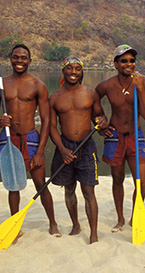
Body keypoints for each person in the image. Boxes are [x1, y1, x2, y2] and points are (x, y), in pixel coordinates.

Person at [0, 44, 60, 239]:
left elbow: (46, 120)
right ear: (10, 59)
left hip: (30, 137)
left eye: (23, 57)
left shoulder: (38, 85)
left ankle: (53, 223)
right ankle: (15, 224)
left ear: (29, 60)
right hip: (9, 137)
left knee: (40, 183)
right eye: (16, 57)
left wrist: (40, 150)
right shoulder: (0, 85)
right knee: (13, 184)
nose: (19, 61)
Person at [95, 44, 145, 232]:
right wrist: (99, 121)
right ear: (115, 64)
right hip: (114, 135)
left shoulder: (144, 82)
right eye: (124, 61)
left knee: (142, 181)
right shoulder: (107, 85)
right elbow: (93, 99)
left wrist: (141, 90)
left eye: (132, 60)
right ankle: (120, 218)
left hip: (135, 135)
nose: (129, 64)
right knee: (117, 179)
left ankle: (134, 215)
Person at [49, 57, 108, 243]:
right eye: (69, 68)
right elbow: (51, 127)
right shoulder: (55, 97)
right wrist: (62, 149)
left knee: (89, 191)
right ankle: (76, 225)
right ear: (63, 71)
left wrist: (102, 122)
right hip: (65, 145)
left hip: (86, 145)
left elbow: (100, 117)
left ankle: (94, 233)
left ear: (82, 72)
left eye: (77, 69)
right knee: (69, 189)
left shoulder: (91, 94)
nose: (73, 72)